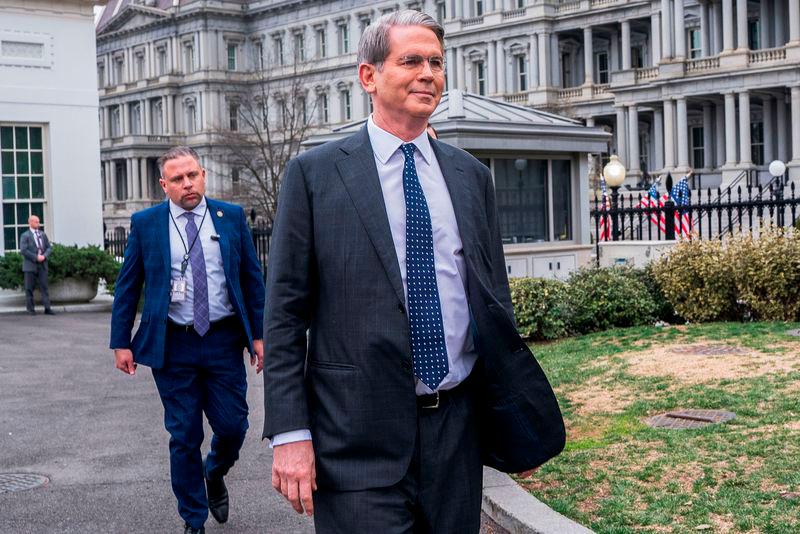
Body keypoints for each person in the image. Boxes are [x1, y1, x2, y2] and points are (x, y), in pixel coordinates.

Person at [263, 11, 563, 534]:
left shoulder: (470, 176)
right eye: (411, 60)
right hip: (355, 437)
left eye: (436, 63)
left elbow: (493, 306)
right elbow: (285, 313)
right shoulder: (314, 175)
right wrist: (290, 432)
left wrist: (510, 417)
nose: (428, 73)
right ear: (369, 76)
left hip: (456, 432)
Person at [109, 146, 265, 534]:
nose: (187, 184)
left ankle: (214, 473)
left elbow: (252, 279)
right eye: (177, 179)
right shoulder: (147, 223)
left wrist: (260, 335)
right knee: (184, 434)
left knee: (233, 427)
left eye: (192, 175)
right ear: (164, 185)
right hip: (173, 344)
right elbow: (128, 285)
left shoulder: (230, 218)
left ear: (203, 174)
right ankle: (193, 519)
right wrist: (121, 340)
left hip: (223, 340)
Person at [19, 215, 54, 315]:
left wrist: (44, 256)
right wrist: (36, 257)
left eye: (39, 222)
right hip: (30, 265)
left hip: (42, 265)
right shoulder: (25, 235)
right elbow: (23, 250)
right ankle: (31, 309)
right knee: (29, 288)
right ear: (30, 222)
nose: (38, 224)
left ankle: (47, 308)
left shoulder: (42, 234)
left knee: (44, 287)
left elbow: (49, 248)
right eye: (36, 222)